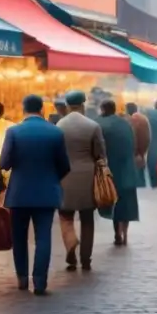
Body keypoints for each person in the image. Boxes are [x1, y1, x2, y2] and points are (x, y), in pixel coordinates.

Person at [0, 94, 71, 295]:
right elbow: (65, 165)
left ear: (24, 109)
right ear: (42, 109)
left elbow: (4, 163)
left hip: (19, 194)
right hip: (47, 193)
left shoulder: (13, 132)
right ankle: (40, 281)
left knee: (19, 237)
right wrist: (51, 178)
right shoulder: (55, 133)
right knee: (43, 237)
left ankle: (22, 278)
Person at [56, 89, 106, 271]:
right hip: (87, 177)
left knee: (65, 215)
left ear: (68, 106)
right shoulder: (92, 126)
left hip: (64, 176)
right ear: (83, 105)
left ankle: (70, 243)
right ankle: (86, 258)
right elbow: (100, 154)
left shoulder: (59, 126)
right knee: (87, 218)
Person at [98, 99, 140, 245]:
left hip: (112, 170)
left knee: (115, 204)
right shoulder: (126, 124)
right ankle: (125, 234)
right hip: (128, 170)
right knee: (127, 204)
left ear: (103, 109)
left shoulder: (102, 125)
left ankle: (117, 233)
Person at [125, 102, 150, 188]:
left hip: (132, 157)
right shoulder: (143, 119)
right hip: (141, 155)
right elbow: (147, 137)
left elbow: (133, 139)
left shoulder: (130, 120)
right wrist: (142, 153)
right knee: (141, 182)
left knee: (133, 185)